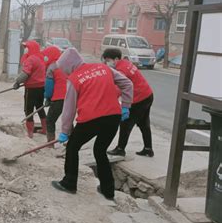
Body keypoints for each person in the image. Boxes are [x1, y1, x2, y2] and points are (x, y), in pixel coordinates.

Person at [51, 48, 133, 200]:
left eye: (64, 69)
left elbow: (69, 108)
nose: (64, 72)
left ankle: (69, 183)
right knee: (100, 151)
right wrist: (126, 106)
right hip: (113, 117)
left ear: (69, 66)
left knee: (72, 147)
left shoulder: (74, 79)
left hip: (91, 120)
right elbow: (127, 84)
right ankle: (108, 190)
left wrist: (65, 131)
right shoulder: (103, 68)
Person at [102, 48, 154, 157]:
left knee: (125, 124)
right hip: (147, 95)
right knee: (144, 124)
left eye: (108, 60)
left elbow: (118, 88)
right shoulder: (125, 63)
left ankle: (120, 149)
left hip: (138, 99)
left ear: (116, 59)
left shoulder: (121, 70)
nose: (106, 63)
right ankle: (148, 149)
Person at [13, 40, 46, 138]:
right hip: (41, 88)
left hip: (31, 89)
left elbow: (25, 74)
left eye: (26, 47)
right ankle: (45, 129)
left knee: (28, 109)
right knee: (40, 108)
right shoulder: (40, 58)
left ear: (31, 48)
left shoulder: (30, 59)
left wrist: (17, 82)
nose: (25, 50)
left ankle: (30, 132)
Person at [42, 46, 67, 142]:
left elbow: (49, 87)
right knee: (67, 119)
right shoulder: (65, 65)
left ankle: (50, 142)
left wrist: (48, 98)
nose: (45, 58)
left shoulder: (52, 68)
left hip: (59, 98)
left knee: (50, 120)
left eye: (46, 56)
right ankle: (71, 142)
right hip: (70, 97)